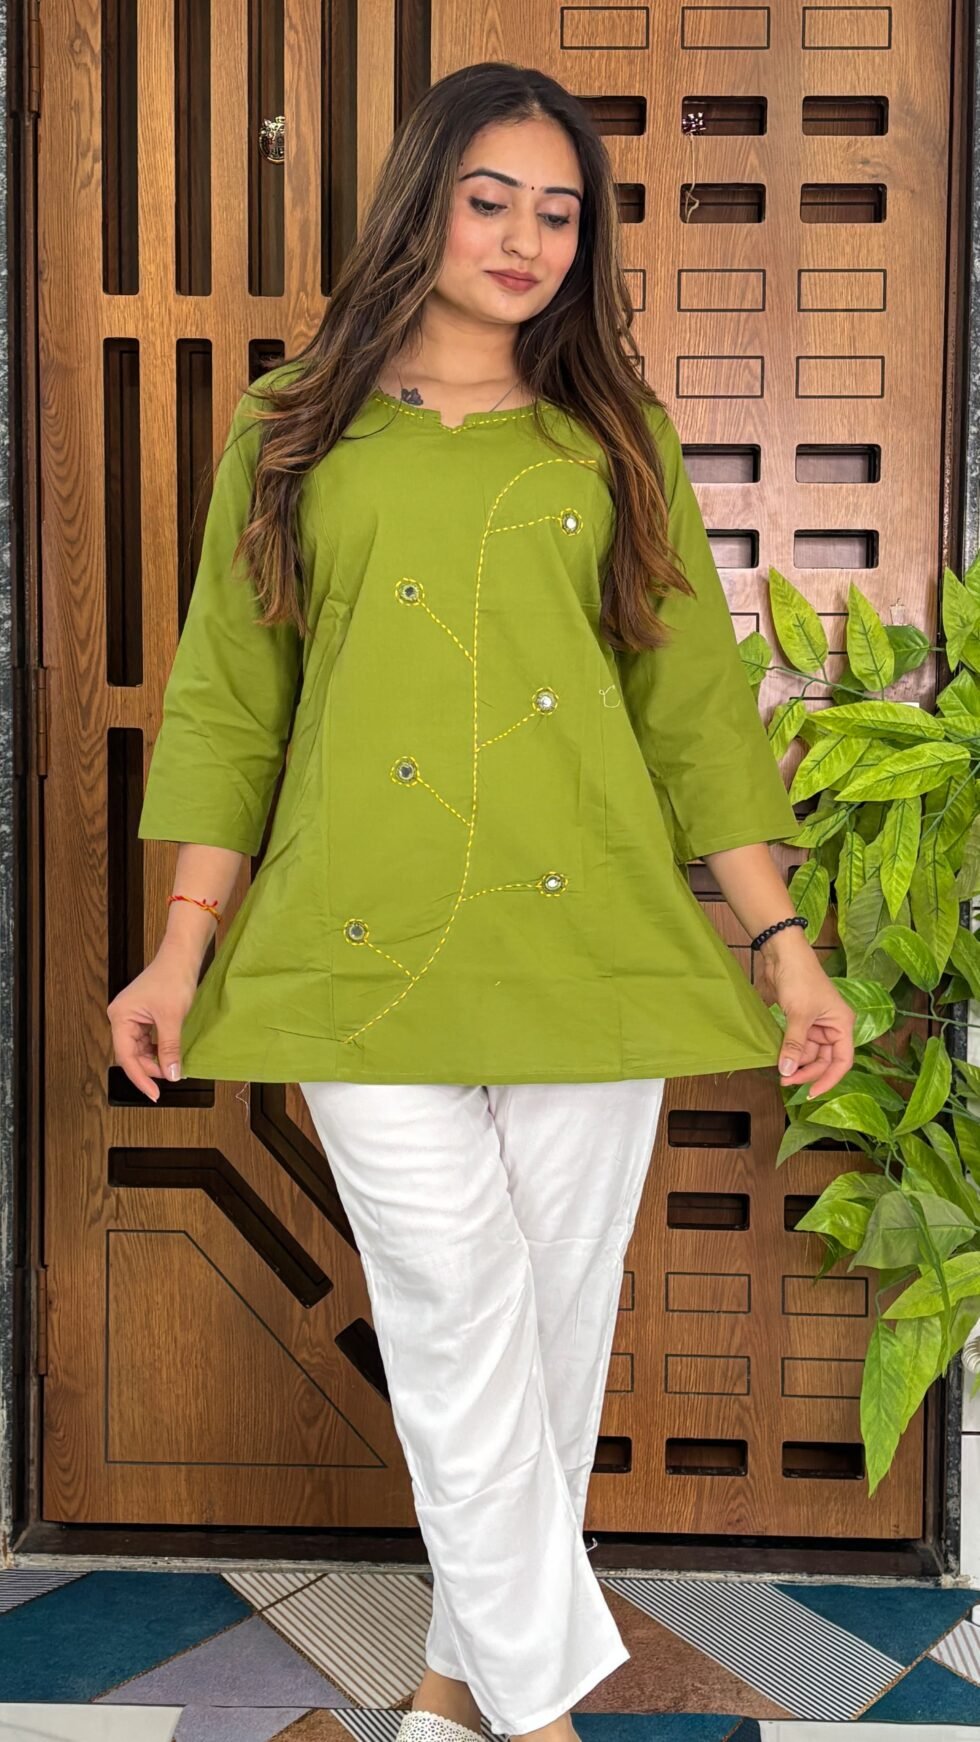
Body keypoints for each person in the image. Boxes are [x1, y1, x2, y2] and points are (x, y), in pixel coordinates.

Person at [108, 60, 855, 1742]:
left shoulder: (612, 435)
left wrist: (785, 948)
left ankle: (459, 1688)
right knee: (454, 1312)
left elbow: (691, 709)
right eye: (491, 200)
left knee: (550, 1335)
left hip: (588, 945)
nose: (526, 239)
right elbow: (232, 698)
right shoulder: (296, 425)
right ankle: (540, 1718)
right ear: (423, 205)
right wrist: (179, 948)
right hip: (351, 942)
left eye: (560, 213)